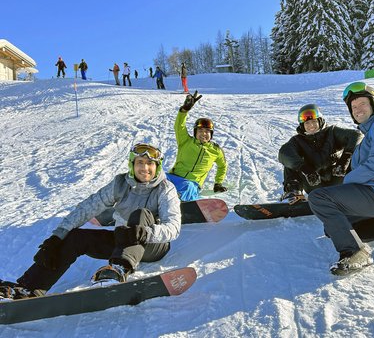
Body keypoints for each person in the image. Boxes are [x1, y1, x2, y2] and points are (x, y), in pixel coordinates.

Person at [0, 143, 181, 300]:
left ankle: (118, 269)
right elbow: (88, 207)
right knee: (76, 237)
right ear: (132, 165)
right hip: (122, 240)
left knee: (141, 214)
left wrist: (146, 232)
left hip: (153, 245)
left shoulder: (165, 189)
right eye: (140, 163)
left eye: (150, 163)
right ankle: (28, 287)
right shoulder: (120, 183)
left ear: (157, 167)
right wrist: (57, 237)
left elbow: (173, 227)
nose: (145, 168)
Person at [308, 82, 374, 275]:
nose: (357, 109)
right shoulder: (368, 132)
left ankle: (356, 252)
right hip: (373, 194)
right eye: (354, 107)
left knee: (319, 198)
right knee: (334, 228)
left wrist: (346, 181)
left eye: (362, 104)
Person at [278, 103, 363, 204]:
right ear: (302, 126)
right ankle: (293, 194)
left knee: (358, 153)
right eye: (307, 123)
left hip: (338, 180)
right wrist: (305, 169)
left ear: (320, 121)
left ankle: (359, 190)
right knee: (290, 161)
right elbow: (284, 153)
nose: (311, 126)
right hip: (314, 183)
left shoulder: (332, 132)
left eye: (314, 122)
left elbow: (356, 135)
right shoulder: (297, 140)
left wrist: (345, 159)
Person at [166, 91, 228, 201]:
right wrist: (184, 111)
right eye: (200, 130)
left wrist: (218, 183)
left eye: (207, 131)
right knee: (156, 179)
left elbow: (222, 166)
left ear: (211, 134)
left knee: (188, 187)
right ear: (195, 132)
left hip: (191, 183)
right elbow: (179, 126)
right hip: (172, 177)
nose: (203, 134)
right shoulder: (185, 141)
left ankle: (176, 203)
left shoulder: (216, 150)